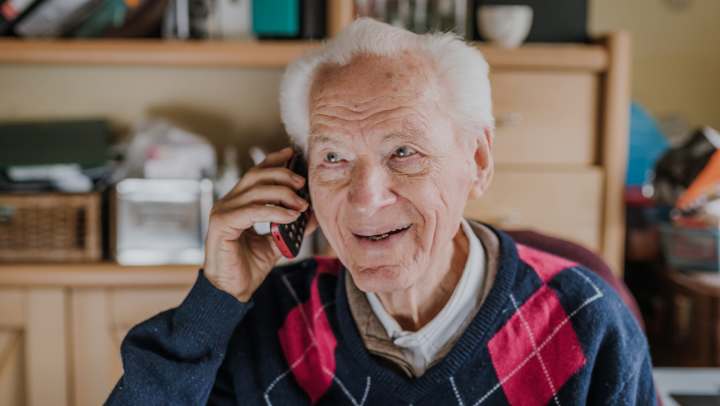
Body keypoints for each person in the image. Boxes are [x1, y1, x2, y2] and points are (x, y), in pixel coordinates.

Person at [106, 18, 656, 405]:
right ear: (299, 178)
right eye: (334, 158)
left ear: (478, 160)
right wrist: (217, 298)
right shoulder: (272, 320)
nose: (367, 197)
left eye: (403, 152)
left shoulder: (588, 323)